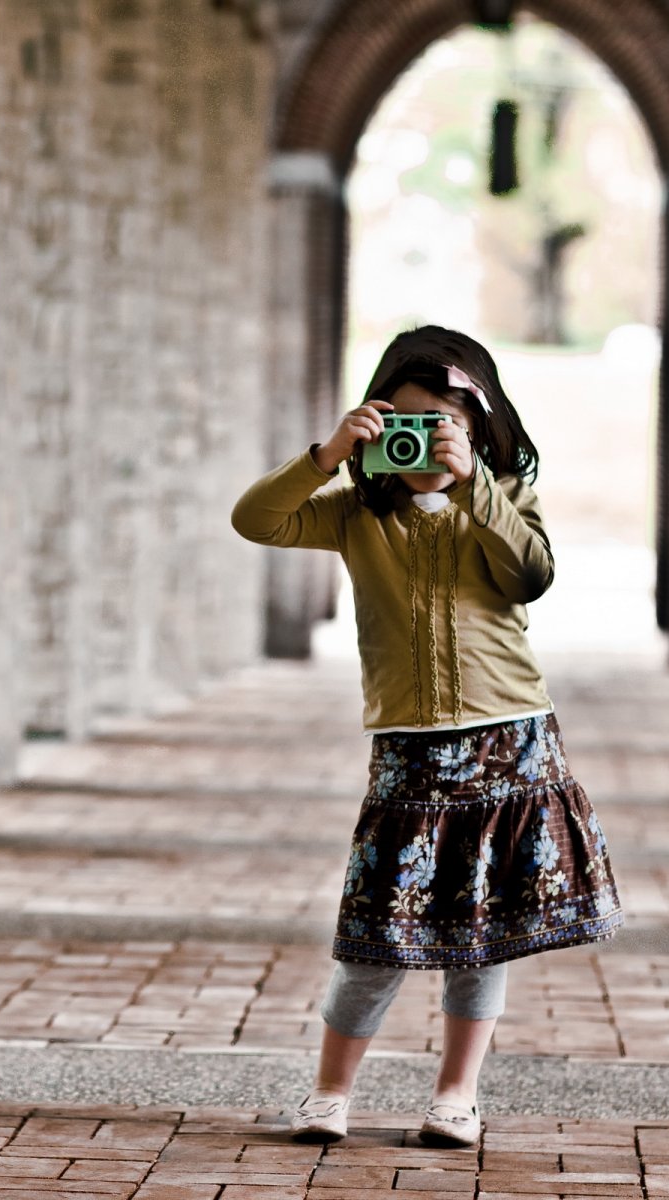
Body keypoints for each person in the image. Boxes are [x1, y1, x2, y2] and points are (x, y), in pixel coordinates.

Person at [229, 325, 624, 1148]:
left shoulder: (507, 494)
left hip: (508, 738)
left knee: (479, 937)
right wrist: (328, 453)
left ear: (476, 427)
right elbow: (255, 521)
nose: (420, 438)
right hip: (409, 747)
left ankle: (457, 1096)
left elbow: (531, 577)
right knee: (375, 936)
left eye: (440, 422)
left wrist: (475, 485)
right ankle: (330, 1093)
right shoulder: (350, 512)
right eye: (402, 420)